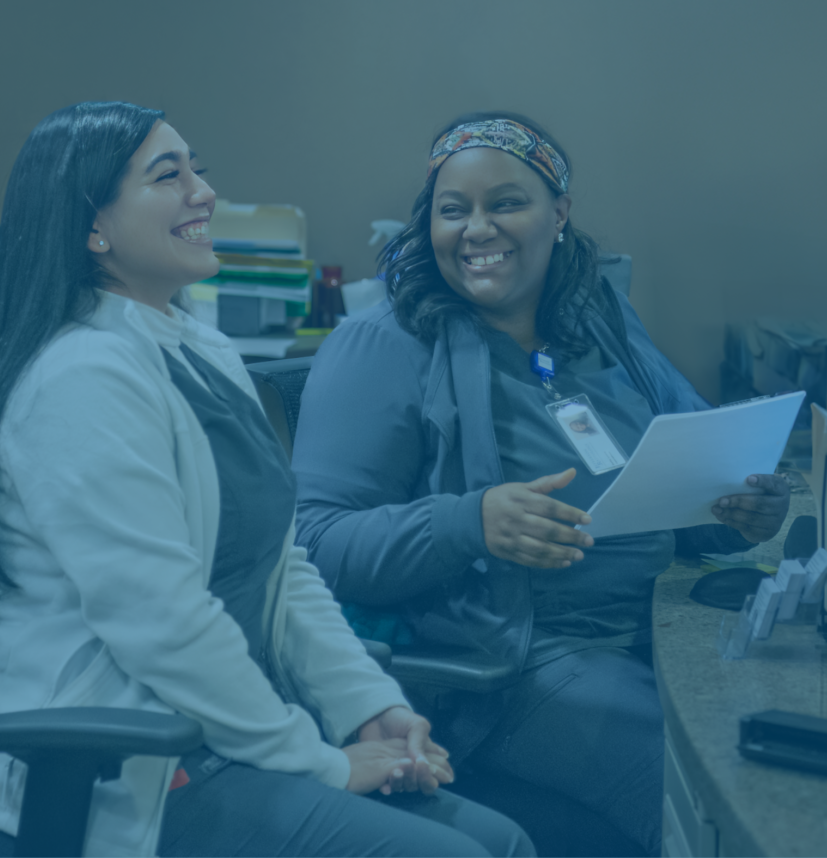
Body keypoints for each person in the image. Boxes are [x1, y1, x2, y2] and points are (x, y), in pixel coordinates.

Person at [0, 102, 534, 858]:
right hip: (114, 768)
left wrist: (367, 707)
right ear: (93, 228)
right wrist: (320, 761)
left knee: (501, 842)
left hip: (217, 731)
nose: (203, 193)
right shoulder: (78, 379)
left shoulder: (201, 351)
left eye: (198, 172)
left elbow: (283, 567)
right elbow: (162, 622)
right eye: (167, 176)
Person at [291, 112, 791, 857]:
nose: (476, 229)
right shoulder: (383, 343)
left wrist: (744, 506)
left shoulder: (601, 322)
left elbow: (698, 467)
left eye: (506, 203)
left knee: (792, 734)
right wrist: (470, 521)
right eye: (451, 210)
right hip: (516, 662)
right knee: (738, 787)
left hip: (656, 626)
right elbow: (313, 543)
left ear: (559, 213)